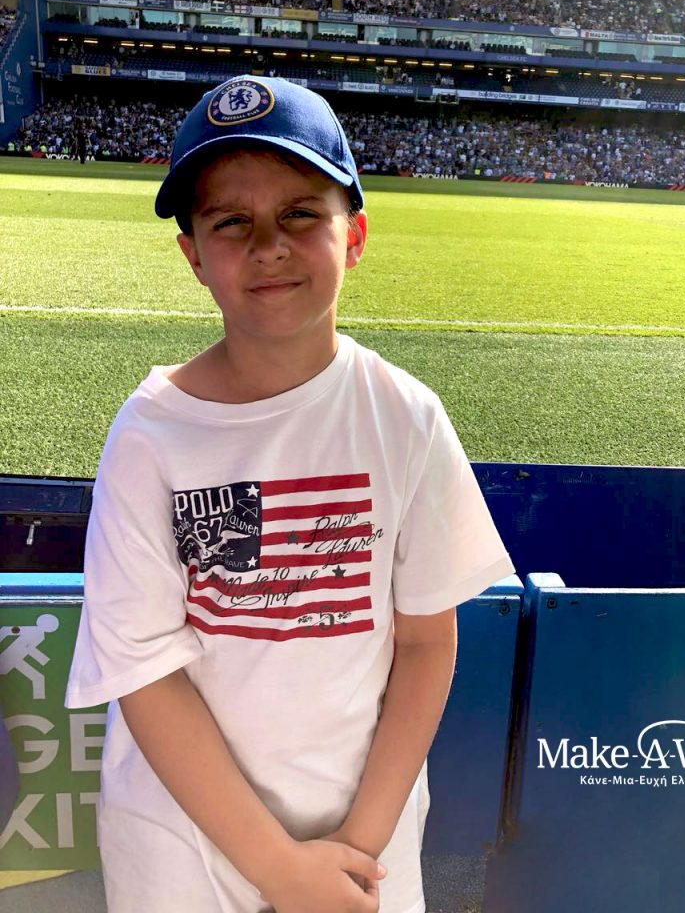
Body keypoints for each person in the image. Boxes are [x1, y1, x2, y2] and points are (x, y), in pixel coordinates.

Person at [64, 75, 514, 913]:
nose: (268, 245)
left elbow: (425, 643)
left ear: (355, 236)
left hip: (363, 840)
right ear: (193, 257)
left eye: (301, 213)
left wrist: (356, 850)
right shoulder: (151, 433)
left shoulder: (405, 416)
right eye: (230, 222)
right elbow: (145, 673)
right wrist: (277, 869)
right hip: (183, 850)